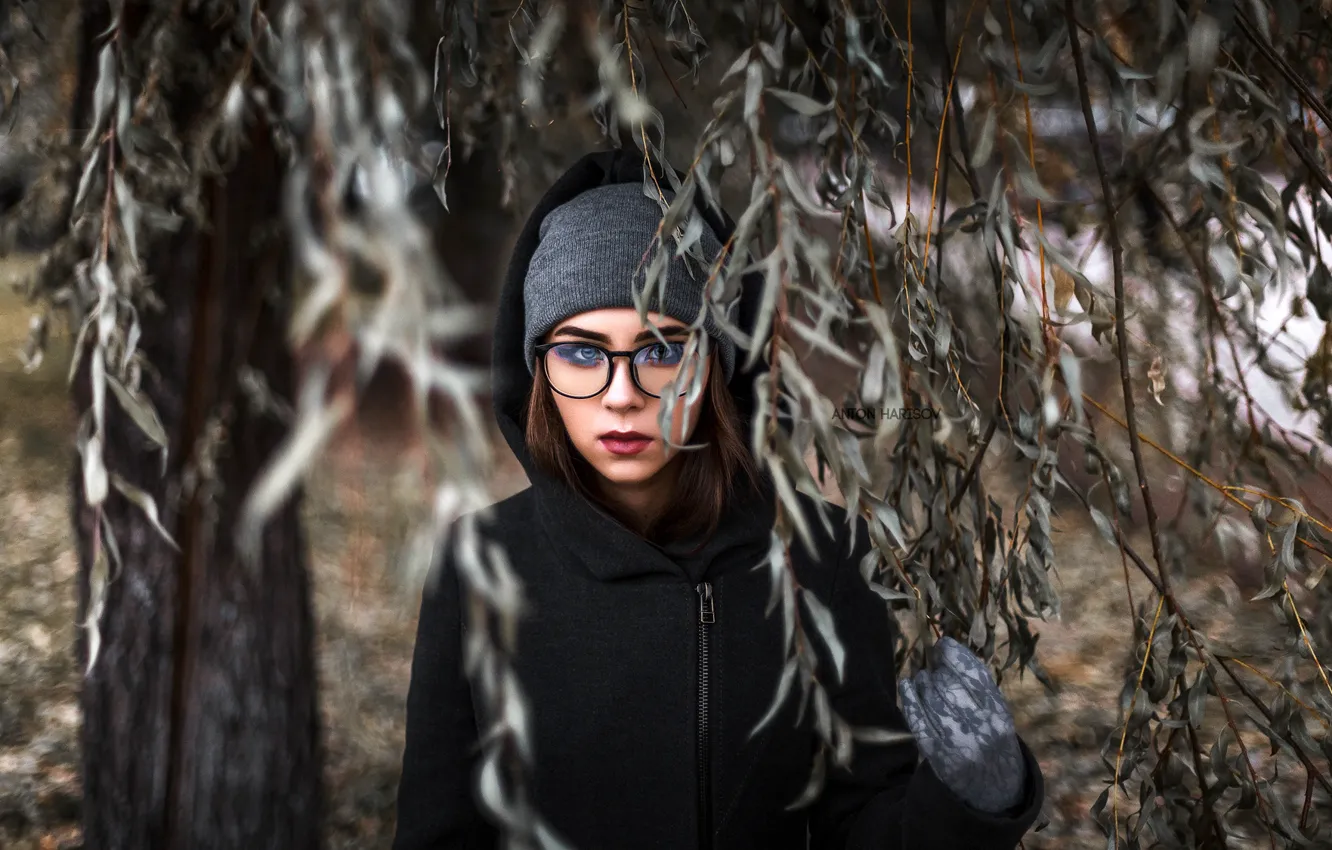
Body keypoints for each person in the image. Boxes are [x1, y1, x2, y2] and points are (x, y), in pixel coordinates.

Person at [392, 149, 1045, 850]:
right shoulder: (478, 567)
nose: (622, 395)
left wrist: (969, 797)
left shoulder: (824, 559)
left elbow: (862, 827)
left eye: (662, 350)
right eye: (582, 353)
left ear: (716, 363)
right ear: (538, 368)